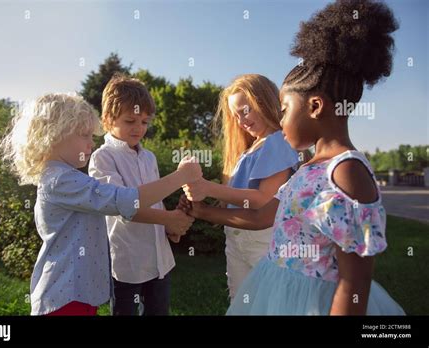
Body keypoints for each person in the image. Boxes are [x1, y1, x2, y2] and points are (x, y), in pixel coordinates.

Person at [180, 0, 405, 315]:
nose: (280, 120)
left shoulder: (346, 173)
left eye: (284, 110)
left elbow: (354, 282)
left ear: (315, 107)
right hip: (279, 287)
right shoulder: (310, 165)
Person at [0, 93, 201, 315]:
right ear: (53, 135)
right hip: (65, 296)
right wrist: (181, 176)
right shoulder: (61, 180)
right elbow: (124, 200)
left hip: (78, 292)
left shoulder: (67, 177)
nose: (91, 142)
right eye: (85, 135)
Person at [182, 74, 299, 300]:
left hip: (264, 242)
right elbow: (236, 199)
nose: (240, 121)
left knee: (268, 304)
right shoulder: (249, 150)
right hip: (236, 241)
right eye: (236, 115)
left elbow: (262, 199)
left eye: (245, 111)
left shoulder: (277, 141)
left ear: (264, 102)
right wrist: (199, 197)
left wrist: (208, 188)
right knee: (240, 301)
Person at [89, 75, 193, 315]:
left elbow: (154, 199)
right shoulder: (103, 158)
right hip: (128, 263)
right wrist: (169, 218)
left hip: (160, 261)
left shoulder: (149, 158)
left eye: (145, 121)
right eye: (130, 120)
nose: (139, 128)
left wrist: (171, 227)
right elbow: (122, 206)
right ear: (107, 120)